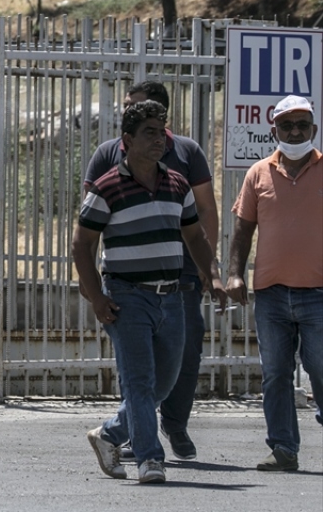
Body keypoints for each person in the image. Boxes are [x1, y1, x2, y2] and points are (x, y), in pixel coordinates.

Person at [74, 100, 217, 484]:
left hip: (171, 297)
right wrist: (97, 297)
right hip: (127, 296)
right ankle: (150, 459)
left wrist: (213, 275)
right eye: (149, 133)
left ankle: (108, 434)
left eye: (162, 132)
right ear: (127, 140)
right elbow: (82, 244)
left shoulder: (177, 184)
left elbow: (195, 236)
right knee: (139, 382)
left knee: (163, 383)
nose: (159, 140)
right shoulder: (107, 187)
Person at [225, 94, 323, 473]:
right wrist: (235, 273)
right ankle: (283, 448)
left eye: (302, 125)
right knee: (276, 374)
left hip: (318, 294)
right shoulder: (258, 173)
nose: (295, 132)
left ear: (314, 129)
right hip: (271, 294)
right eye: (287, 126)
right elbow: (242, 230)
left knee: (319, 368)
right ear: (274, 132)